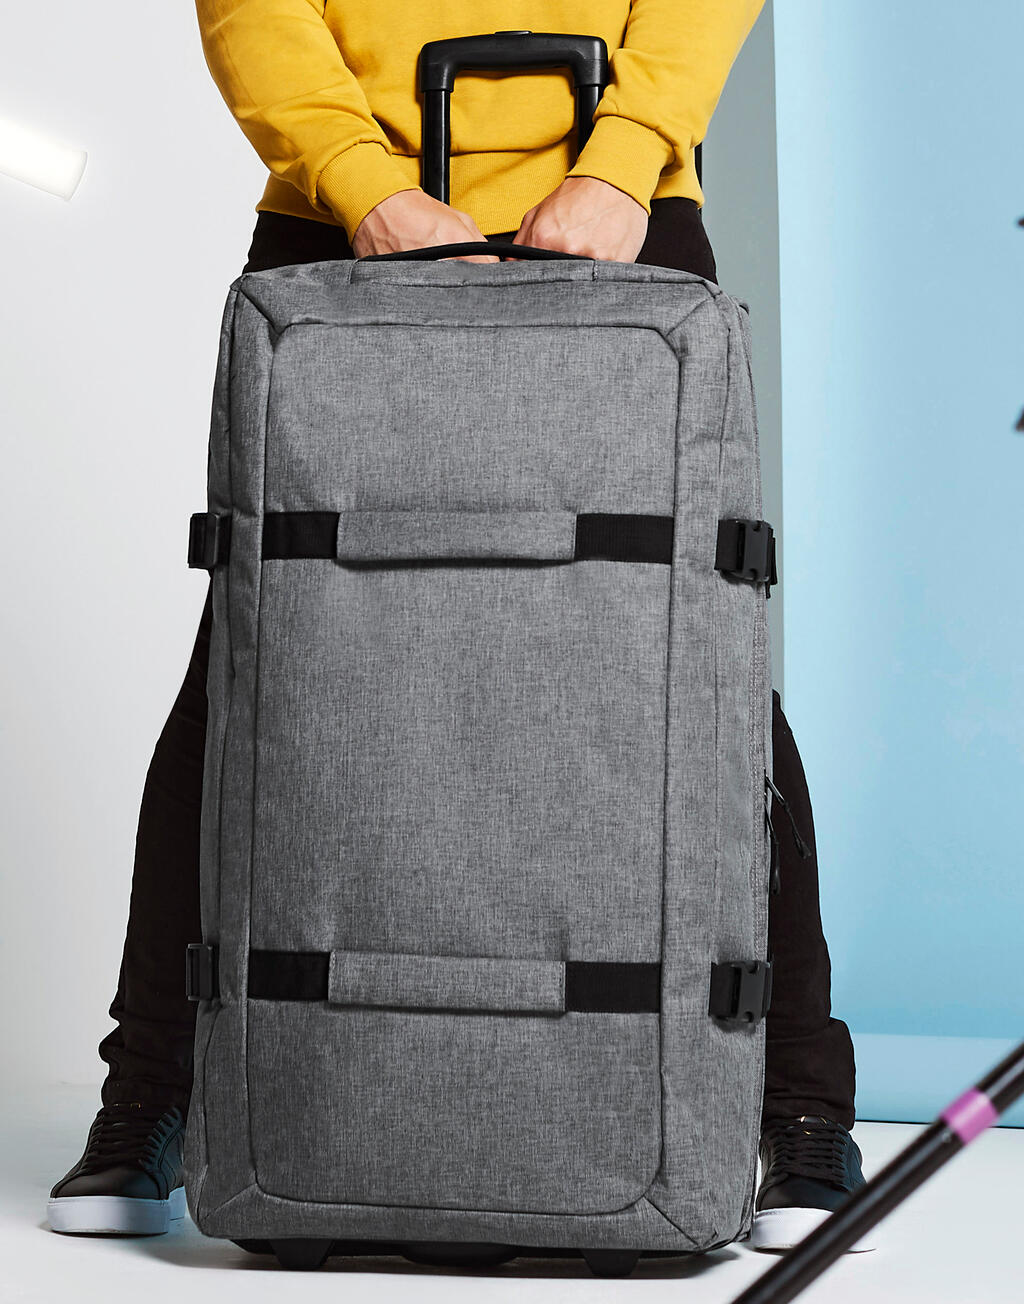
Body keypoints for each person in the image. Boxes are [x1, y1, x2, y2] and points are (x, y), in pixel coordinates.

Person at [48, 0, 864, 1255]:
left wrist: (620, 161)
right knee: (265, 659)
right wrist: (365, 185)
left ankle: (798, 1107)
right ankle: (154, 1090)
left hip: (620, 217)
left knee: (698, 669)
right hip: (343, 224)